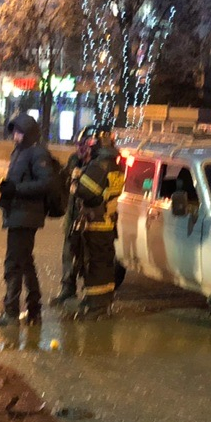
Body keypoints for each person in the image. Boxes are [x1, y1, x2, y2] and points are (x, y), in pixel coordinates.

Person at [0, 113, 54, 326]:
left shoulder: (37, 153)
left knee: (13, 264)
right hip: (18, 213)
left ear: (27, 133)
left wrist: (16, 189)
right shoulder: (20, 152)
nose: (15, 136)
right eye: (14, 132)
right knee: (26, 262)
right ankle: (34, 309)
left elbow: (46, 183)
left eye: (19, 132)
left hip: (26, 216)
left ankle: (11, 313)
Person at [72, 128, 124, 320]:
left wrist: (75, 179)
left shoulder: (98, 166)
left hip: (96, 223)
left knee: (95, 266)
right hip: (107, 224)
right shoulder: (114, 165)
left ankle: (97, 308)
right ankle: (99, 302)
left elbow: (85, 192)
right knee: (103, 264)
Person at [50, 125, 98, 306]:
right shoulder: (73, 160)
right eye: (78, 145)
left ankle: (89, 294)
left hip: (89, 220)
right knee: (68, 255)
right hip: (72, 217)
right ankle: (67, 290)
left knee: (87, 258)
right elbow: (64, 185)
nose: (79, 149)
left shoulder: (96, 165)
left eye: (83, 145)